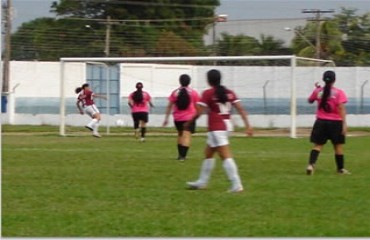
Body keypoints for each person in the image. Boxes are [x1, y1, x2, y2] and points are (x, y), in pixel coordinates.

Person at [185, 69, 253, 192]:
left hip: (217, 127)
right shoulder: (229, 93)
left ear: (208, 80)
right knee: (208, 153)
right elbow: (241, 109)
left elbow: (199, 112)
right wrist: (248, 126)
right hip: (227, 126)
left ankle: (236, 184)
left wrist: (189, 122)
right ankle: (202, 181)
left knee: (225, 155)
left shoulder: (208, 93)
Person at [306, 70, 350, 175]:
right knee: (338, 147)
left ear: (323, 79)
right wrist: (344, 124)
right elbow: (341, 108)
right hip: (335, 123)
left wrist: (317, 89)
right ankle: (340, 169)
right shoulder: (339, 92)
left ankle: (311, 165)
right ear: (334, 80)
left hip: (321, 122)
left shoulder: (318, 91)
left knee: (318, 146)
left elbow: (310, 100)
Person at [163, 74, 200, 161]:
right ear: (189, 82)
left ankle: (180, 155)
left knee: (180, 135)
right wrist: (197, 115)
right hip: (189, 118)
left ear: (180, 81)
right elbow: (197, 106)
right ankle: (183, 156)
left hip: (177, 118)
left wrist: (166, 118)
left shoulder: (175, 92)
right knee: (186, 136)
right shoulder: (193, 93)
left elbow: (169, 106)